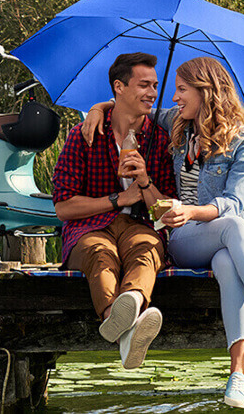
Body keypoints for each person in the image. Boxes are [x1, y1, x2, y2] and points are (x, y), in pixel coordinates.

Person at [83, 56, 244, 409]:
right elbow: (128, 104)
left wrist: (189, 208)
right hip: (186, 237)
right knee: (234, 230)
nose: (173, 97)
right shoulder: (177, 122)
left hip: (225, 235)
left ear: (207, 92)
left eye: (182, 89)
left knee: (226, 260)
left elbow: (234, 203)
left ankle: (238, 375)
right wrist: (98, 108)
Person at [52, 52, 176, 370]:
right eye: (144, 85)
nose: (152, 92)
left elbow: (165, 214)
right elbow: (63, 207)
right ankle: (120, 320)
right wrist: (117, 199)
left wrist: (146, 182)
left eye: (155, 85)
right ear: (118, 87)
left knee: (146, 248)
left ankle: (123, 315)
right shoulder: (84, 136)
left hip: (139, 224)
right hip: (88, 228)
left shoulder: (161, 140)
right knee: (99, 252)